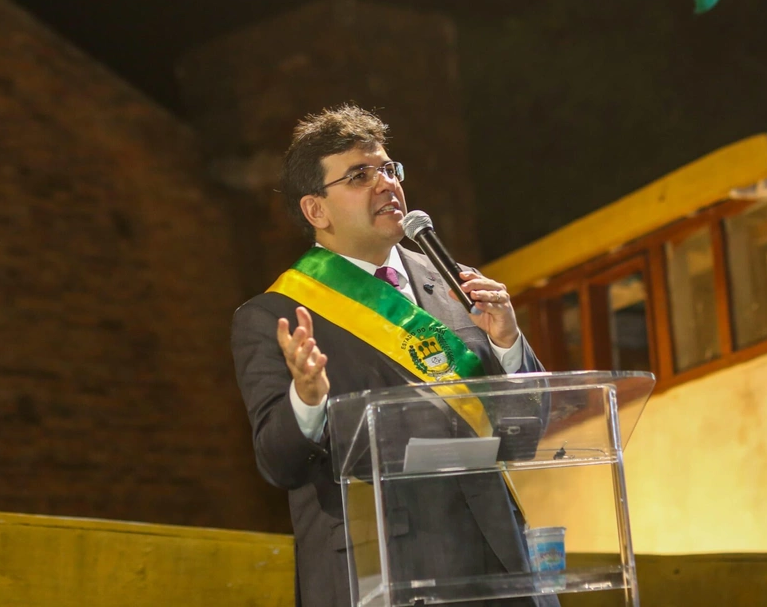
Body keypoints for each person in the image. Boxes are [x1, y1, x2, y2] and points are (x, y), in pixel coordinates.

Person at [231, 104, 550, 607]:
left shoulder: (456, 283)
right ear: (316, 210)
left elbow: (528, 432)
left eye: (388, 169)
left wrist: (508, 344)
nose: (386, 184)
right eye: (360, 175)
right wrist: (307, 400)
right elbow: (278, 462)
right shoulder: (275, 316)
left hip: (498, 563)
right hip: (381, 571)